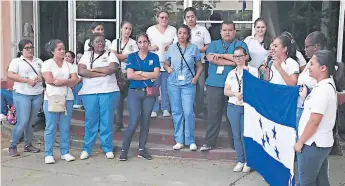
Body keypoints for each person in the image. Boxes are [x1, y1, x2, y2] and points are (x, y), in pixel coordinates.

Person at [200, 21, 249, 151]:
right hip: (214, 84)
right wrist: (233, 60)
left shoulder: (241, 44)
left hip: (235, 87)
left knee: (232, 117)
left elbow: (244, 58)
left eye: (230, 30)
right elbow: (211, 58)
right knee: (213, 115)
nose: (227, 32)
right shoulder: (214, 44)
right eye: (225, 30)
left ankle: (236, 145)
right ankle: (209, 142)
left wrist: (221, 55)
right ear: (220, 31)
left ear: (235, 31)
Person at [295, 50, 339, 186]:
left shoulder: (323, 90)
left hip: (312, 144)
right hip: (319, 144)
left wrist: (300, 141)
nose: (308, 67)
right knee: (321, 180)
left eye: (312, 64)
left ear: (323, 68)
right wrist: (304, 99)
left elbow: (314, 121)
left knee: (306, 182)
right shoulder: (323, 86)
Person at [78, 33, 121, 160]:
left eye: (102, 41)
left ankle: (107, 147)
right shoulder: (86, 55)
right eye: (97, 41)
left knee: (106, 120)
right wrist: (100, 73)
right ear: (91, 43)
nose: (100, 43)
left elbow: (111, 69)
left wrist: (91, 70)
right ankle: (87, 149)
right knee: (91, 121)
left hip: (108, 91)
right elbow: (81, 71)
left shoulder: (110, 54)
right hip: (90, 92)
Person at [119, 33, 160, 161]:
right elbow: (130, 75)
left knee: (146, 120)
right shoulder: (132, 56)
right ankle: (124, 149)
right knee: (134, 120)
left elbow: (156, 75)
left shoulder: (154, 56)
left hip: (149, 93)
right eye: (140, 42)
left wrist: (140, 72)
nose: (142, 45)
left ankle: (142, 149)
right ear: (136, 44)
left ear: (148, 43)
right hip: (134, 92)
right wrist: (148, 75)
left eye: (145, 42)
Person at [164, 25, 203, 151]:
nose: (182, 35)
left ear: (188, 35)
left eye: (184, 33)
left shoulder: (194, 48)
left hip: (188, 83)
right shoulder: (171, 48)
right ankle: (179, 140)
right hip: (173, 83)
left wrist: (196, 78)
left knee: (188, 112)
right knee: (176, 112)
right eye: (180, 33)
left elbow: (200, 66)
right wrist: (167, 68)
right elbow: (166, 63)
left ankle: (190, 140)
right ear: (177, 35)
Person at [41, 39, 78, 164]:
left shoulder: (69, 65)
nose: (62, 51)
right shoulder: (47, 64)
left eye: (63, 49)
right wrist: (68, 82)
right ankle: (48, 153)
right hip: (52, 98)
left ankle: (65, 152)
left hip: (67, 98)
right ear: (53, 51)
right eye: (59, 49)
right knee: (51, 127)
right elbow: (50, 80)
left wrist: (62, 82)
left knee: (65, 127)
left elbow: (75, 80)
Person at [7, 39, 44, 157]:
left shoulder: (38, 61)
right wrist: (26, 81)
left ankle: (28, 144)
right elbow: (11, 74)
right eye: (27, 48)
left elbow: (45, 73)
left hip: (37, 93)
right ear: (21, 50)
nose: (29, 50)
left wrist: (40, 78)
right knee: (23, 121)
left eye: (31, 47)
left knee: (31, 121)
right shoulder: (17, 61)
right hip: (22, 93)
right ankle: (13, 145)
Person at [224, 46, 258, 172]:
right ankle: (240, 159)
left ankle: (249, 161)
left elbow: (255, 88)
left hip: (247, 107)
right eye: (235, 56)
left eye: (240, 56)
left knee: (246, 135)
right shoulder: (231, 73)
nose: (238, 58)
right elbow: (225, 91)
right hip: (233, 106)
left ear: (246, 57)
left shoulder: (252, 71)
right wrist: (234, 93)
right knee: (236, 134)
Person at [146, 10, 176, 118]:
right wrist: (151, 47)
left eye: (166, 17)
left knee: (166, 87)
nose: (164, 19)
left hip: (168, 62)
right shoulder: (150, 30)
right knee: (154, 87)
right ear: (157, 18)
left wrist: (170, 45)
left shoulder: (173, 30)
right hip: (154, 63)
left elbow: (177, 44)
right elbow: (145, 45)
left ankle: (166, 108)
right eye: (162, 17)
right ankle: (154, 109)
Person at [184, 7, 211, 118]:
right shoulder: (183, 30)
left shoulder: (203, 30)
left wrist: (196, 50)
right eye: (188, 17)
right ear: (185, 19)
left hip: (200, 62)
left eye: (192, 16)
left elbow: (208, 45)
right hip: (185, 64)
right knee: (187, 86)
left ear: (196, 17)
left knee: (200, 86)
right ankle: (187, 109)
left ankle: (199, 110)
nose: (190, 19)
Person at [111, 21, 138, 131]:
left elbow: (134, 58)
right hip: (118, 74)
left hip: (130, 74)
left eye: (130, 29)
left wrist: (120, 56)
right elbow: (112, 56)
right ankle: (118, 123)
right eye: (126, 28)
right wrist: (124, 56)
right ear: (121, 29)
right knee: (119, 100)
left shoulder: (134, 43)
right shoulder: (115, 42)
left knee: (132, 100)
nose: (127, 31)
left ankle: (133, 124)